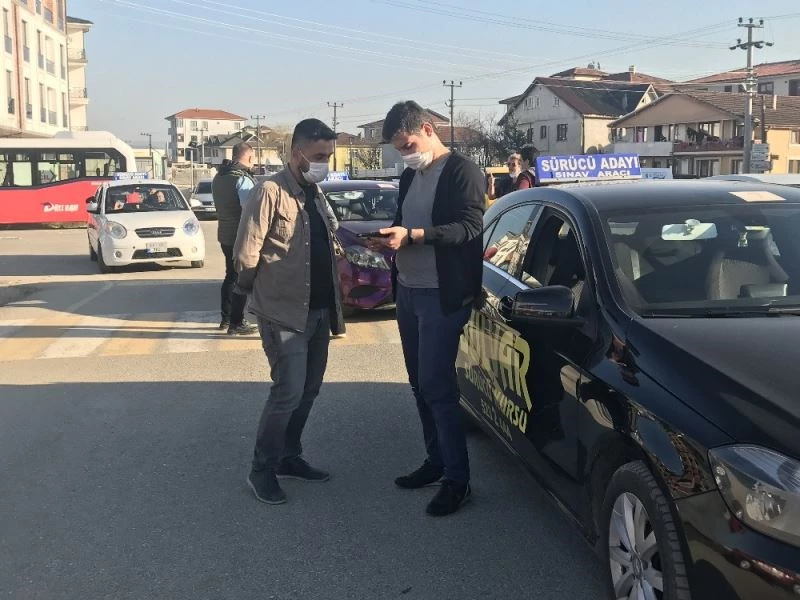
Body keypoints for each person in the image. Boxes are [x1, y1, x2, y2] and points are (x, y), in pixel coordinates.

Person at [371, 101, 484, 517]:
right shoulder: (410, 176)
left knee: (438, 386)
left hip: (442, 295)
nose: (406, 154)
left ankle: (458, 480)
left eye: (409, 145)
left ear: (428, 129)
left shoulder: (462, 172)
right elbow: (405, 220)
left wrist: (415, 235)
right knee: (419, 383)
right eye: (399, 149)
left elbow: (470, 228)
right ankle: (436, 461)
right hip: (408, 290)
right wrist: (388, 238)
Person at [234, 118, 345, 505]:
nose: (324, 162)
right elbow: (246, 254)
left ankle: (288, 456)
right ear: (297, 153)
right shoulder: (270, 191)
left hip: (318, 312)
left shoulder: (314, 193)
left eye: (328, 156)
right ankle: (261, 469)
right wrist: (258, 295)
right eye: (318, 155)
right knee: (287, 392)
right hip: (283, 314)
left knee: (309, 390)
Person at [212, 142, 258, 336]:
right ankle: (237, 323)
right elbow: (250, 210)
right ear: (249, 157)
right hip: (240, 235)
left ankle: (226, 318)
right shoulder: (242, 179)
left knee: (230, 276)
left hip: (224, 233)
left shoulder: (219, 176)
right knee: (241, 279)